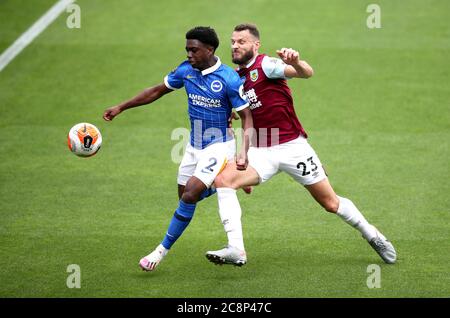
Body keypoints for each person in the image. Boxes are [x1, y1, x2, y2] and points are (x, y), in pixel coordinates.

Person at [205, 23, 397, 266]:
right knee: (223, 181)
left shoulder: (266, 65)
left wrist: (296, 61)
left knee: (330, 203)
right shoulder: (236, 77)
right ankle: (236, 249)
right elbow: (248, 112)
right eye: (233, 41)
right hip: (261, 152)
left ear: (255, 45)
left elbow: (306, 72)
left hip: (292, 148)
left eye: (241, 42)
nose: (235, 45)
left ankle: (372, 234)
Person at [103, 26, 253, 271]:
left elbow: (246, 116)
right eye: (187, 50)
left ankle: (159, 251)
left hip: (219, 146)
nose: (189, 55)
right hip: (193, 145)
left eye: (194, 50)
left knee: (190, 194)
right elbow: (156, 91)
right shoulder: (186, 72)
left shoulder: (228, 78)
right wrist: (122, 106)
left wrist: (243, 152)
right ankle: (230, 180)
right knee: (185, 196)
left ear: (210, 49)